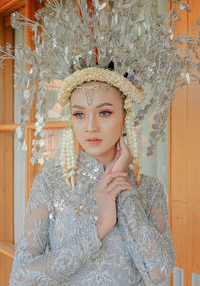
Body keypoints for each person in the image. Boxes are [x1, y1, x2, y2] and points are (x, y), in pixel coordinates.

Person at [9, 79, 175, 285]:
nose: (90, 127)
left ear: (125, 116)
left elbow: (159, 272)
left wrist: (123, 192)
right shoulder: (49, 184)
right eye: (79, 114)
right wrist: (100, 227)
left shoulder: (149, 189)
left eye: (104, 113)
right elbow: (21, 278)